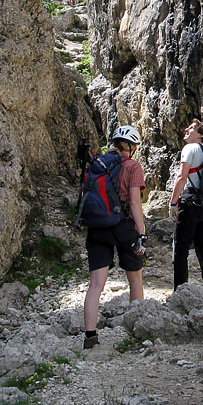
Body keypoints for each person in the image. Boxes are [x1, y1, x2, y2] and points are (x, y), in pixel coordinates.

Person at [83, 125, 147, 349]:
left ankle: (90, 337)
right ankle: (136, 331)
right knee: (135, 279)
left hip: (98, 227)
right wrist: (142, 232)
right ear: (132, 147)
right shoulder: (132, 166)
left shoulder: (98, 164)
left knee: (95, 285)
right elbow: (134, 202)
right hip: (123, 227)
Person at [169, 119, 203, 294]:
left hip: (190, 204)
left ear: (199, 134)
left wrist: (173, 202)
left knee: (181, 249)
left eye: (191, 128)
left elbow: (182, 178)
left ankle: (180, 291)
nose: (186, 129)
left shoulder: (190, 148)